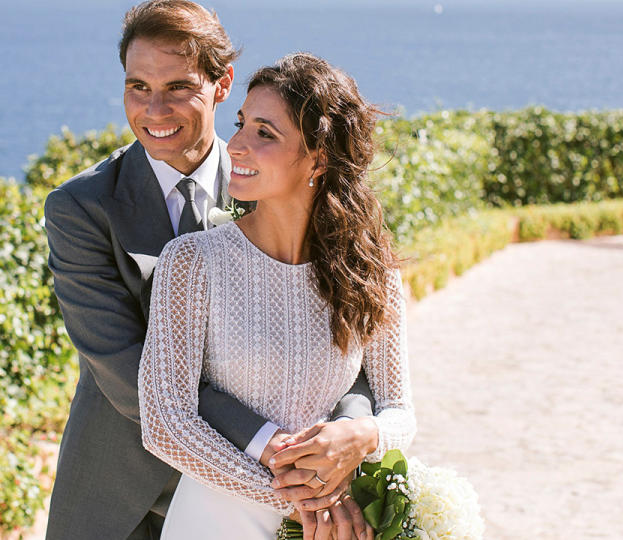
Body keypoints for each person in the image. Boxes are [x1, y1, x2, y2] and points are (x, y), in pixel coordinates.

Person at [43, 2, 379, 539]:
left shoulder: (275, 183)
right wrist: (269, 447)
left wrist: (343, 437)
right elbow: (123, 365)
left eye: (177, 87)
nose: (154, 109)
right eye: (137, 87)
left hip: (261, 498)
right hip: (120, 493)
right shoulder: (81, 208)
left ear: (222, 83)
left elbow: (347, 340)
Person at [138, 53, 417, 539]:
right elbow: (166, 422)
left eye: (265, 133)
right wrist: (300, 501)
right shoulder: (192, 262)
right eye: (241, 124)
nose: (238, 145)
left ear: (320, 157)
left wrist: (364, 435)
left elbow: (400, 410)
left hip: (328, 520)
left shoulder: (370, 270)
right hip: (221, 517)